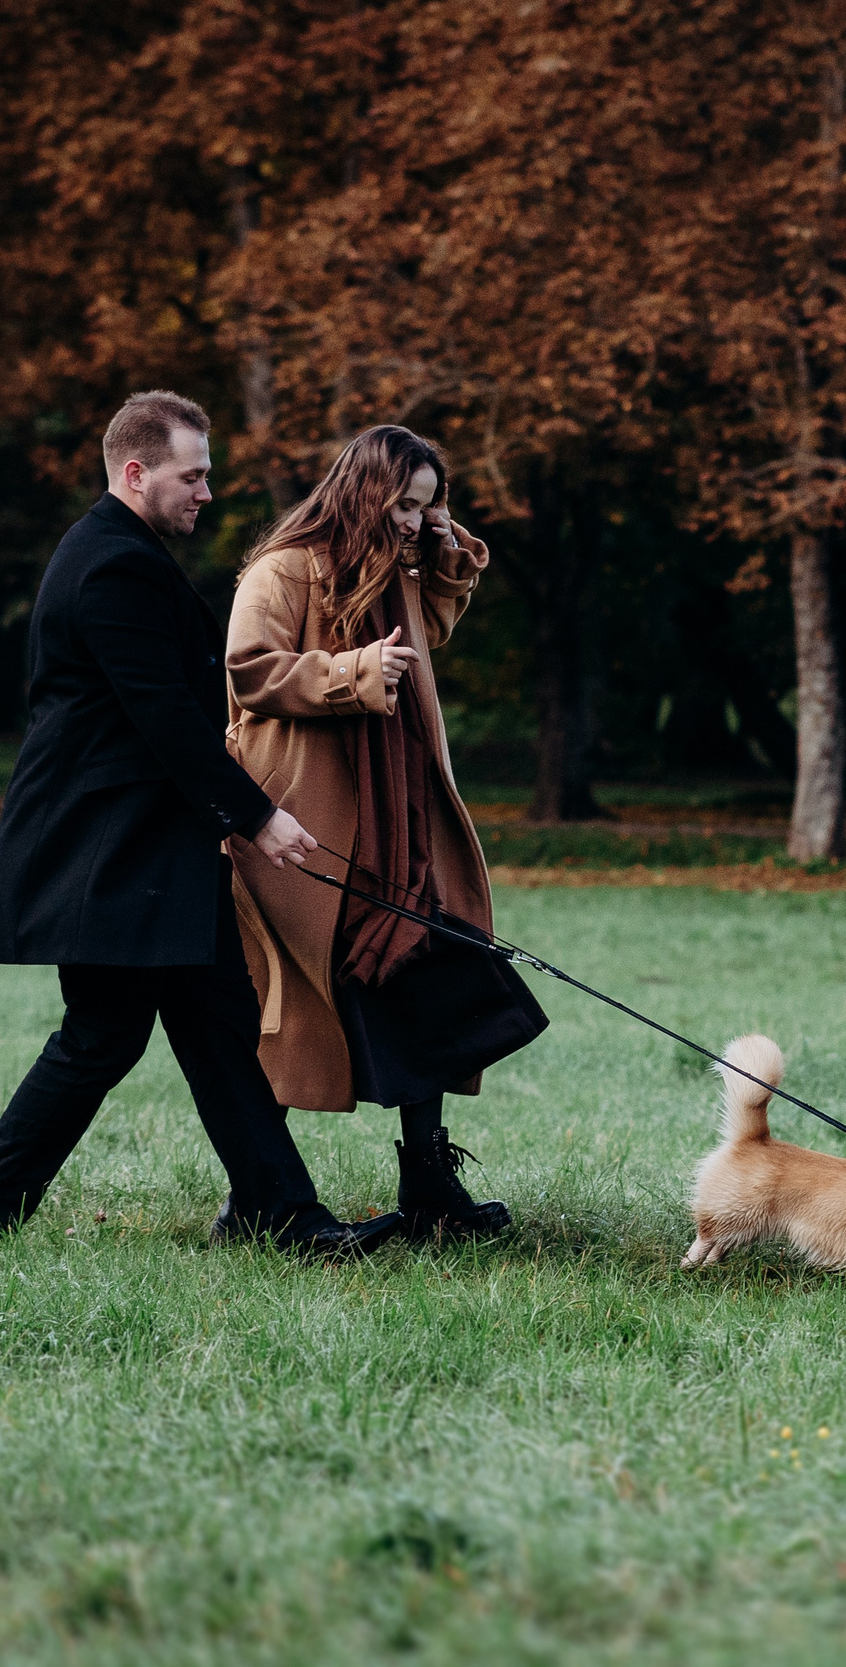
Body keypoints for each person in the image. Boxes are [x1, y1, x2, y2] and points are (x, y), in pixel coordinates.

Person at [0, 391, 400, 1258]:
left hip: (143, 851)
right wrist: (256, 817)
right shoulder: (113, 565)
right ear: (136, 470)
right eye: (194, 476)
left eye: (209, 475)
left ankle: (285, 1217)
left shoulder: (124, 553)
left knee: (219, 1024)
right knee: (103, 1033)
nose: (207, 493)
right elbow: (163, 717)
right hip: (102, 852)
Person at [224, 425, 546, 1243]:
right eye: (405, 504)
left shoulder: (394, 573)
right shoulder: (284, 567)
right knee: (292, 1005)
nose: (413, 520)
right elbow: (248, 668)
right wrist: (352, 674)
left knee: (421, 975)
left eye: (426, 505)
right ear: (365, 491)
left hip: (399, 828)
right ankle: (258, 1196)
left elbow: (430, 630)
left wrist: (440, 548)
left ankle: (431, 1186)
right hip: (309, 833)